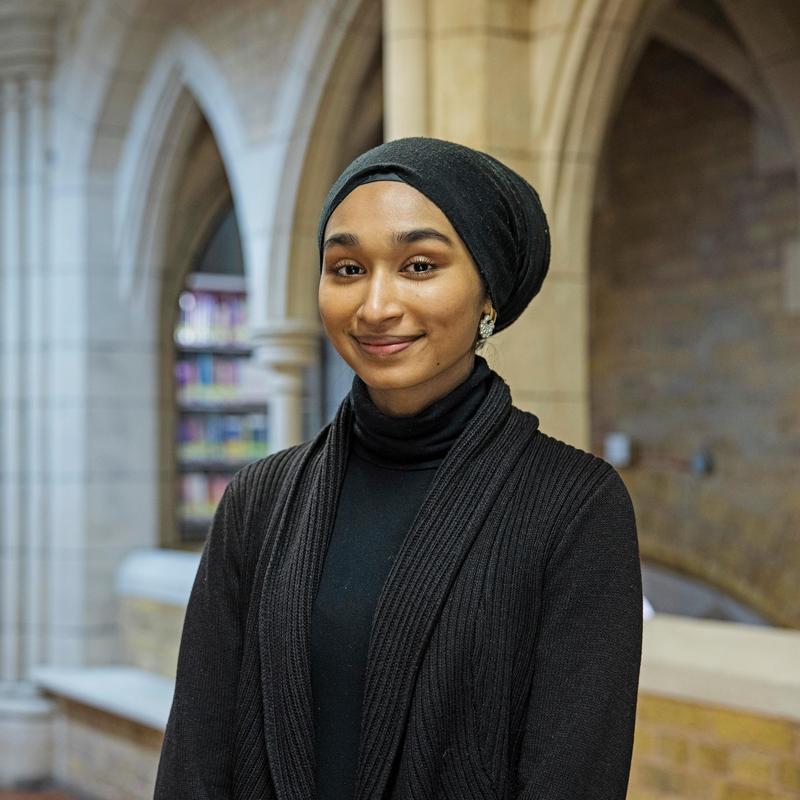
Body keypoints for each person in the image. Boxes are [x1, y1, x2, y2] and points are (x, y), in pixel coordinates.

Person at [154, 136, 643, 800]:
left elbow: (574, 778)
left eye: (418, 265)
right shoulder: (260, 500)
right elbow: (194, 760)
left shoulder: (574, 506)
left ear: (489, 296)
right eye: (347, 269)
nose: (376, 306)